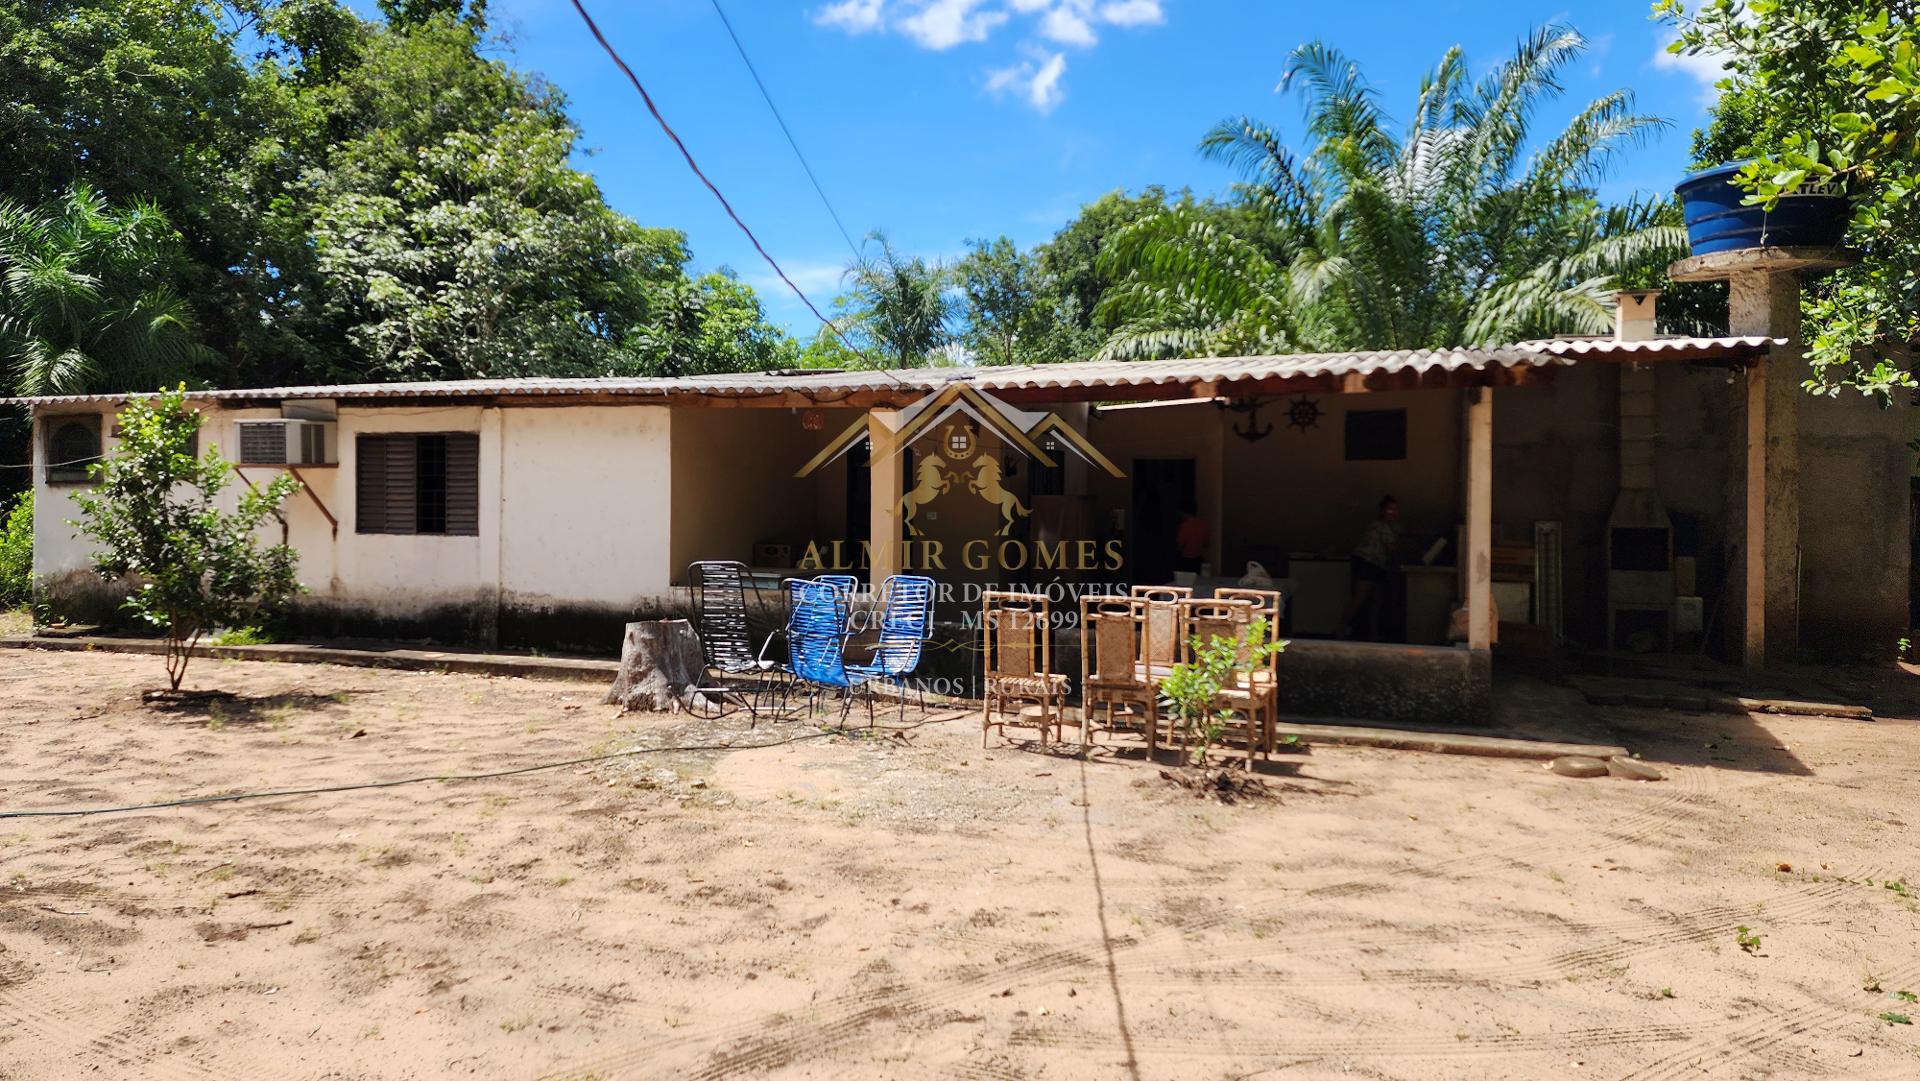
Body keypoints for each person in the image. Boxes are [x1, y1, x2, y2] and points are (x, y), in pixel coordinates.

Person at [1339, 495, 1404, 639]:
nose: (1392, 512)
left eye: (1395, 509)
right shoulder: (1379, 526)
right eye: (1389, 509)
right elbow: (1392, 548)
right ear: (1382, 511)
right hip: (1367, 564)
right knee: (1360, 597)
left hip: (1379, 565)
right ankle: (1341, 629)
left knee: (1377, 601)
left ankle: (1373, 633)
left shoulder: (1394, 527)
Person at [1173, 501, 1209, 576]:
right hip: (1198, 560)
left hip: (1186, 561)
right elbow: (1206, 544)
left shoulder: (1185, 526)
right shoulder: (1202, 525)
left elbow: (1180, 545)